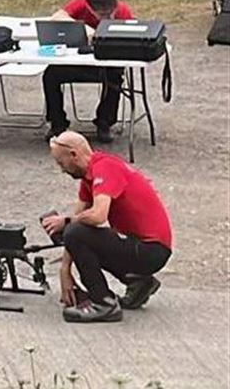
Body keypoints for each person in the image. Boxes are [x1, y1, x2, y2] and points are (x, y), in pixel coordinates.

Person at [40, 131, 172, 323]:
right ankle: (138, 282)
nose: (62, 170)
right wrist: (65, 269)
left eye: (61, 163)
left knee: (75, 230)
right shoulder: (88, 176)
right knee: (68, 229)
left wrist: (66, 221)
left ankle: (103, 303)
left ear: (74, 155)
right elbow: (75, 223)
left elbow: (97, 216)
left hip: (151, 249)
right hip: (139, 245)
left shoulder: (105, 168)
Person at [43, 0, 135, 143]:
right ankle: (57, 124)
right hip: (79, 62)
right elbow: (57, 17)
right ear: (90, 9)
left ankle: (104, 122)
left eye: (110, 13)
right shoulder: (80, 4)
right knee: (51, 75)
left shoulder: (122, 11)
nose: (108, 18)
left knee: (114, 77)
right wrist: (85, 29)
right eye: (102, 15)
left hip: (106, 65)